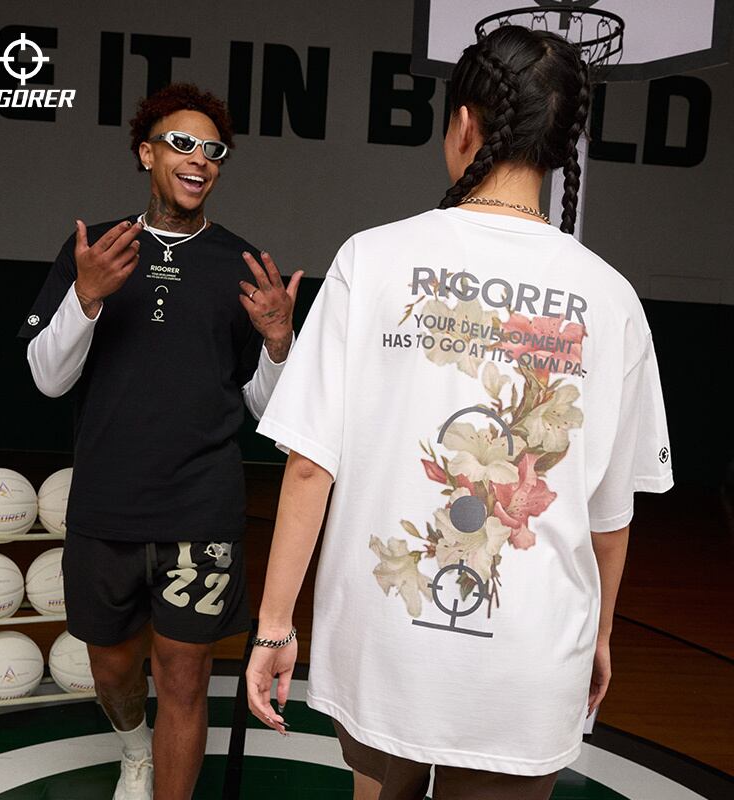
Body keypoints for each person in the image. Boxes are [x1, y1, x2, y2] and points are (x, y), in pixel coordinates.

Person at [246, 26, 673, 800]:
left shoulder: (370, 258)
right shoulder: (613, 299)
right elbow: (611, 516)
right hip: (531, 655)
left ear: (465, 123)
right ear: (562, 144)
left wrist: (275, 626)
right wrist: (601, 635)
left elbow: (310, 466)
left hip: (386, 643)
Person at [18, 83, 302, 800]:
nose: (199, 159)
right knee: (112, 668)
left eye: (213, 150)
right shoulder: (95, 251)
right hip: (107, 506)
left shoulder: (241, 266)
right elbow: (48, 380)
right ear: (147, 154)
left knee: (184, 675)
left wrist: (278, 342)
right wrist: (85, 297)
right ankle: (133, 749)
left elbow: (268, 412)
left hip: (200, 510)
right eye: (181, 143)